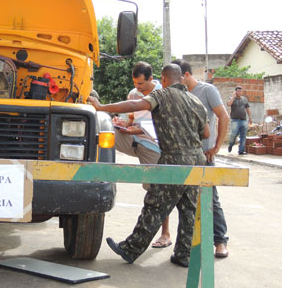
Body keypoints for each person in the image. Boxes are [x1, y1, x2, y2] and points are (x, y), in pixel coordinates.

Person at [87, 64, 209, 268]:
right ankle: (184, 254)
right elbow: (205, 133)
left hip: (175, 159)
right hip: (197, 159)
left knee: (156, 204)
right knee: (189, 209)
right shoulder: (196, 101)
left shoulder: (162, 95)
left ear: (163, 78)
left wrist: (101, 108)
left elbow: (134, 106)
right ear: (181, 79)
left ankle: (130, 249)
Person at [158, 59, 229, 258]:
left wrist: (216, 147)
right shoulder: (179, 93)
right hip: (182, 157)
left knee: (210, 199)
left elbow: (223, 116)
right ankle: (184, 248)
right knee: (185, 205)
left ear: (185, 75)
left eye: (178, 78)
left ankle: (220, 241)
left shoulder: (207, 91)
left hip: (203, 155)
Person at [113, 61, 161, 166]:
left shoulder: (163, 94)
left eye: (140, 83)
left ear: (150, 79)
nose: (137, 86)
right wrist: (122, 124)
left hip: (152, 143)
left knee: (151, 181)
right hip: (133, 139)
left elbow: (166, 125)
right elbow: (131, 119)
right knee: (103, 130)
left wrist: (140, 130)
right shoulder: (133, 93)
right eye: (134, 82)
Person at [227, 86, 252, 155]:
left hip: (243, 120)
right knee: (234, 134)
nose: (240, 92)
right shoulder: (232, 98)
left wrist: (250, 117)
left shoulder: (244, 99)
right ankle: (231, 145)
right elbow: (229, 104)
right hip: (235, 120)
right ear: (235, 91)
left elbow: (247, 108)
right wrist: (233, 96)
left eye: (241, 91)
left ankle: (241, 150)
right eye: (238, 91)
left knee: (243, 136)